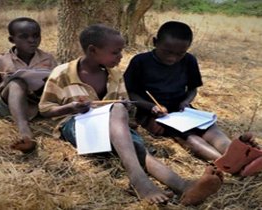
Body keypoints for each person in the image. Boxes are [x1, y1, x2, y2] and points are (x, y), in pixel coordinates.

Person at [39, 24, 223, 205]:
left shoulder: (114, 74)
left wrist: (127, 107)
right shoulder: (62, 74)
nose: (121, 57)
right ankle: (138, 179)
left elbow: (124, 105)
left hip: (111, 125)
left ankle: (184, 186)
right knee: (119, 115)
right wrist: (70, 108)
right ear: (93, 50)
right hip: (77, 123)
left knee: (136, 145)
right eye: (115, 52)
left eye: (121, 51)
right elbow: (45, 109)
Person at [124, 21, 232, 161]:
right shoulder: (140, 62)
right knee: (190, 138)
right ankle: (226, 164)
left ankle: (237, 155)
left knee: (211, 130)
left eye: (180, 54)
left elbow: (193, 89)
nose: (172, 58)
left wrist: (186, 102)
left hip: (182, 111)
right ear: (155, 42)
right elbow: (131, 94)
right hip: (153, 114)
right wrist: (151, 107)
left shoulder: (189, 61)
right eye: (167, 52)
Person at [0, 17, 57, 153]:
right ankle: (25, 134)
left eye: (36, 36)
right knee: (17, 83)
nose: (32, 40)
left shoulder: (48, 59)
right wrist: (4, 83)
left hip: (37, 106)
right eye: (24, 37)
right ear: (12, 40)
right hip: (6, 107)